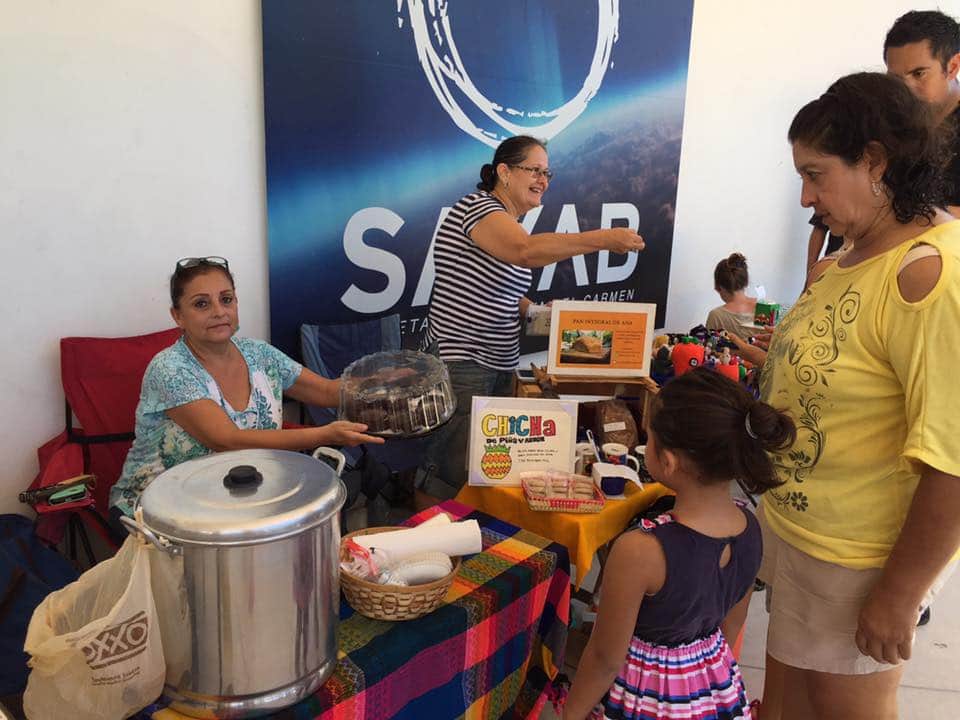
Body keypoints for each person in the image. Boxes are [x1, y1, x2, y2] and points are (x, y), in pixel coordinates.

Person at [758, 73, 960, 720]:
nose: (804, 197)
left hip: (860, 562)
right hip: (801, 539)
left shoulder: (929, 275)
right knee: (785, 704)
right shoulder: (852, 255)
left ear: (875, 161)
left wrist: (899, 594)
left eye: (815, 174)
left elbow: (952, 459)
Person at [416, 135, 645, 506]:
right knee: (445, 471)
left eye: (547, 173)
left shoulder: (507, 221)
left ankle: (468, 545)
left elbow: (501, 289)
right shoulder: (478, 207)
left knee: (486, 469)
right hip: (463, 363)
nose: (543, 179)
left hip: (499, 364)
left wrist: (535, 312)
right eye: (534, 170)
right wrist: (603, 238)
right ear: (504, 172)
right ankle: (427, 549)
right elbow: (524, 252)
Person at [561, 369, 796, 720]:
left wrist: (571, 714)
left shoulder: (640, 549)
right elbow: (731, 627)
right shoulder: (750, 528)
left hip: (646, 696)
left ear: (667, 461)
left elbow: (605, 657)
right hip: (713, 688)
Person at [109, 257, 382, 524]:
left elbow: (325, 392)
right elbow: (227, 440)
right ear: (177, 316)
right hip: (156, 512)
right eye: (201, 304)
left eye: (226, 299)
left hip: (239, 504)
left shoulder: (259, 353)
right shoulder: (169, 369)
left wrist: (383, 383)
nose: (218, 311)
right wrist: (324, 435)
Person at [884, 9, 960, 214]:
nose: (906, 89)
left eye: (919, 74)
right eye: (896, 79)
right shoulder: (885, 124)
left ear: (952, 67)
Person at [705, 252, 758, 340]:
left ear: (718, 287)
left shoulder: (716, 316)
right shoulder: (765, 308)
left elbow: (708, 348)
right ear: (746, 281)